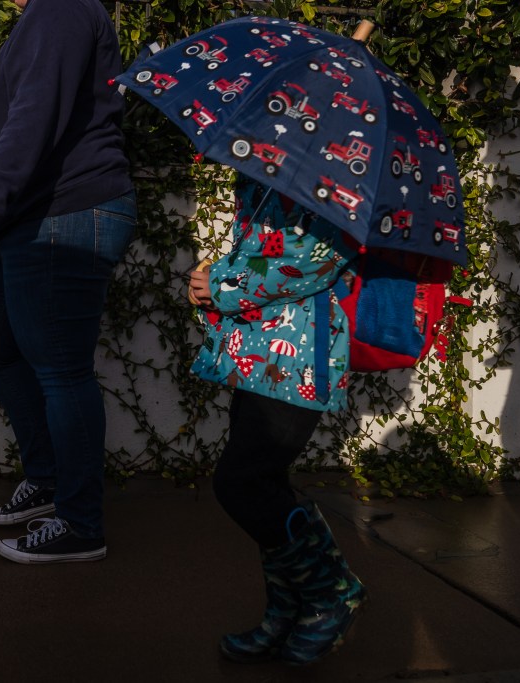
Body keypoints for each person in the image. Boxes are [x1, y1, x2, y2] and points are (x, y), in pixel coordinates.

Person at [0, 0, 136, 563]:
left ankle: (80, 524)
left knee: (60, 368)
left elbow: (37, 113)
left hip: (69, 209)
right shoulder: (46, 15)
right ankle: (50, 480)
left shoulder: (62, 8)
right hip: (30, 215)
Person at [187, 174, 366, 665]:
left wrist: (220, 283)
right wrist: (213, 272)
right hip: (256, 356)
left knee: (241, 484)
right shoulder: (271, 169)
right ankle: (289, 609)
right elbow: (257, 247)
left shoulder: (336, 170)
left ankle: (333, 592)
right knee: (265, 484)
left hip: (299, 362)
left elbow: (314, 257)